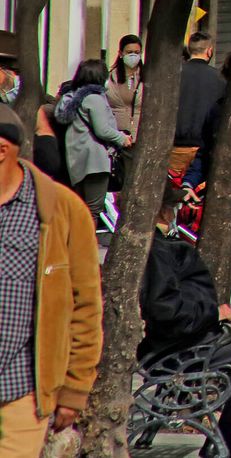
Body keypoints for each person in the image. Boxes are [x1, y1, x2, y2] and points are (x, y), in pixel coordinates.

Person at [0, 102, 102, 455]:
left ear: (2, 150)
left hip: (20, 391)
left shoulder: (61, 210)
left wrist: (74, 391)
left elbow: (86, 307)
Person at [141, 182, 231, 456]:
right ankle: (228, 437)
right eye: (173, 206)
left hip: (188, 340)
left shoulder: (160, 246)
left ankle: (226, 435)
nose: (176, 211)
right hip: (178, 348)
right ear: (163, 212)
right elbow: (166, 311)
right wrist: (214, 313)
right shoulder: (157, 250)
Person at [55, 59, 131, 223]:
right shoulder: (94, 99)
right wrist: (122, 138)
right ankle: (84, 246)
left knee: (81, 209)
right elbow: (102, 129)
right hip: (95, 162)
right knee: (92, 211)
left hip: (78, 161)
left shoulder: (73, 97)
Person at [174, 33, 226, 176]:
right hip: (203, 149)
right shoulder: (219, 79)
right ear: (209, 50)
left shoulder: (174, 76)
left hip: (175, 148)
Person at [104, 33, 144, 136]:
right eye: (129, 52)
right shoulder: (109, 78)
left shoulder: (146, 78)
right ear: (121, 53)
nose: (133, 55)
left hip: (139, 135)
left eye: (137, 52)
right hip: (115, 135)